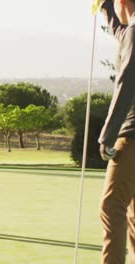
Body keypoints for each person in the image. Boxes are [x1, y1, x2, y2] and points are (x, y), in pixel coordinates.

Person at [99, 0, 135, 262]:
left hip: (132, 138)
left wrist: (107, 136)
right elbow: (118, 28)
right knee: (133, 212)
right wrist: (103, 6)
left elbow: (127, 82)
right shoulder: (129, 30)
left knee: (111, 206)